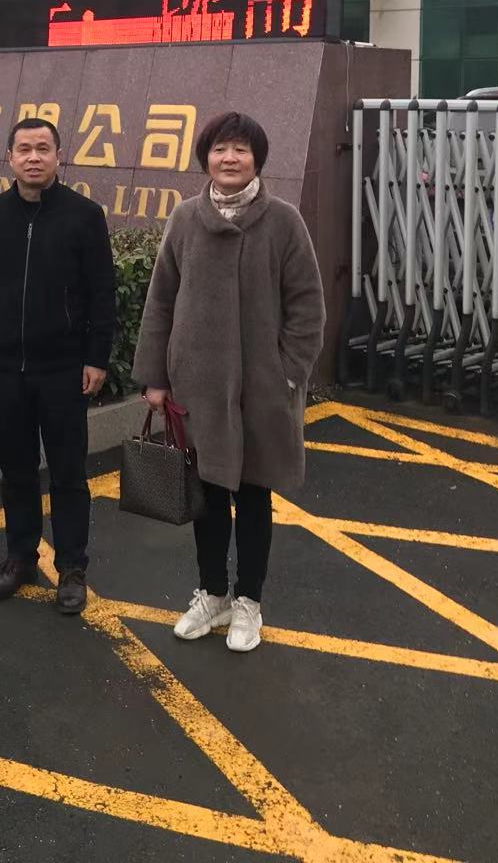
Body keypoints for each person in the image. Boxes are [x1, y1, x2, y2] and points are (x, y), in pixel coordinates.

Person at [131, 111, 325, 653]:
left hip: (263, 390)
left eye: (240, 149)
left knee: (255, 496)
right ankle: (213, 594)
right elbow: (161, 299)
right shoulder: (185, 218)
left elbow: (307, 306)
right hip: (198, 388)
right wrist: (155, 376)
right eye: (220, 149)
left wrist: (288, 372)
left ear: (257, 158)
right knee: (209, 497)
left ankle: (249, 603)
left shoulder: (283, 221)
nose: (230, 158)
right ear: (206, 158)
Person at [0, 117, 116, 615]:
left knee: (68, 473)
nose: (34, 157)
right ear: (9, 158)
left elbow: (102, 294)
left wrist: (97, 358)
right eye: (24, 149)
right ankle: (20, 558)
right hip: (5, 368)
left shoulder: (84, 216)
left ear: (59, 157)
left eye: (43, 148)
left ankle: (72, 568)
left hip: (63, 369)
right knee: (16, 470)